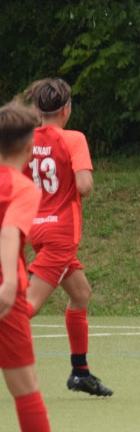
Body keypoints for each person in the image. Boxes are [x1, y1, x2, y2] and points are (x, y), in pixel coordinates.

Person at [21, 78, 111, 397]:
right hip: (61, 233)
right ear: (67, 109)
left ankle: (80, 372)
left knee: (81, 293)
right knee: (27, 306)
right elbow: (84, 185)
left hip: (37, 229)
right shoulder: (73, 138)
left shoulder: (26, 140)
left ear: (38, 110)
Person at [0, 101, 52, 431]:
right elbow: (9, 230)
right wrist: (8, 283)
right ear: (30, 146)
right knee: (25, 388)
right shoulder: (22, 187)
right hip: (7, 298)